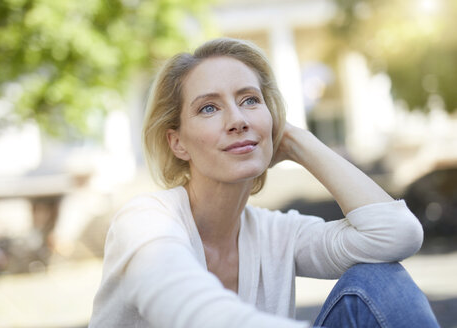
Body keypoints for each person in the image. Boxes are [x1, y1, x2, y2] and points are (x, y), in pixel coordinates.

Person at [88, 38, 439, 327]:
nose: (237, 119)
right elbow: (194, 312)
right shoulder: (145, 221)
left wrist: (299, 143)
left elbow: (396, 234)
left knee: (381, 281)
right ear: (177, 142)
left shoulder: (278, 233)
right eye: (208, 108)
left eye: (250, 100)